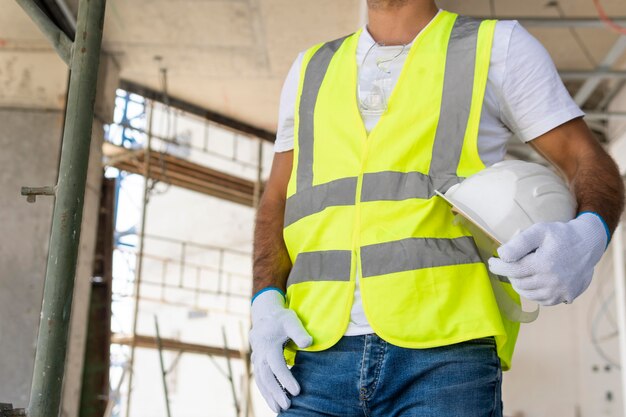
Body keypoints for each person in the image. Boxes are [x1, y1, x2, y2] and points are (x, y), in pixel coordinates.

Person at [249, 0, 625, 415]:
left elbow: (586, 158)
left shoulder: (497, 47)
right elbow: (277, 200)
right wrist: (264, 300)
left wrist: (588, 234)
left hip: (447, 357)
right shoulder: (309, 69)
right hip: (314, 351)